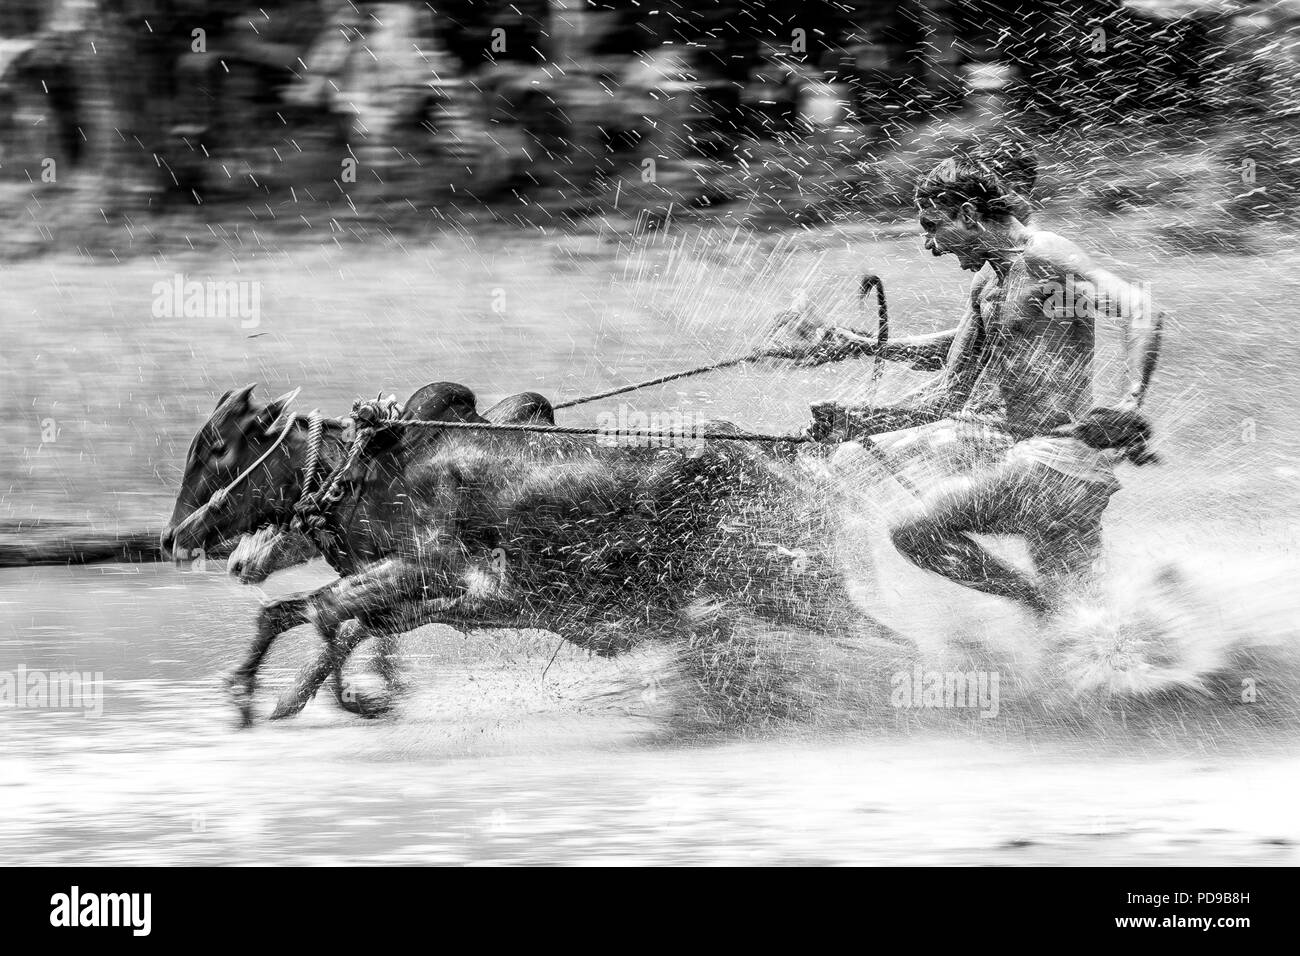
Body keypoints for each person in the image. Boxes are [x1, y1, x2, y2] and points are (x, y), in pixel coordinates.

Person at [797, 149, 1163, 614]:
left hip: (1058, 458)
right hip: (1031, 461)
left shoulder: (1044, 253)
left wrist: (1131, 401)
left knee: (913, 529)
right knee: (1082, 625)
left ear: (968, 214)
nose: (931, 246)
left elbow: (1140, 307)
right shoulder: (988, 283)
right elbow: (949, 387)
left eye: (933, 226)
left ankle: (1035, 602)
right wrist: (861, 401)